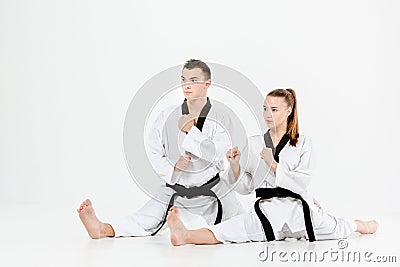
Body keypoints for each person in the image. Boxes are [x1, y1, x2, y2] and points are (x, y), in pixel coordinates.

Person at [166, 88, 378, 245]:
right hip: (268, 210)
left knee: (338, 227)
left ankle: (364, 225)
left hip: (299, 209)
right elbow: (246, 187)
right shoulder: (254, 142)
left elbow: (302, 181)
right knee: (231, 230)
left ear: (288, 111)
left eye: (274, 109)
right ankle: (185, 235)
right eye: (265, 109)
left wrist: (273, 164)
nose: (268, 114)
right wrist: (235, 166)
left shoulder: (303, 143)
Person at [77, 59, 243, 238]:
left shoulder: (221, 117)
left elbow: (217, 154)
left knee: (239, 223)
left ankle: (186, 232)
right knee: (142, 219)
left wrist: (191, 131)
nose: (187, 85)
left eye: (193, 80)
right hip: (176, 189)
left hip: (213, 190)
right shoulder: (167, 116)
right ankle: (101, 228)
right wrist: (174, 169)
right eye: (183, 79)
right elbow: (154, 152)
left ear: (207, 84)